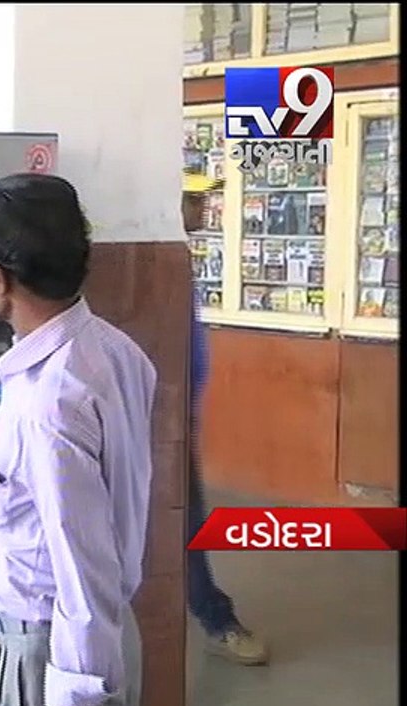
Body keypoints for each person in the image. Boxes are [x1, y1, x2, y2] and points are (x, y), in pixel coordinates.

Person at [0, 174, 157, 706]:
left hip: (54, 656)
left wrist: (71, 700)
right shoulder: (110, 350)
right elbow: (94, 446)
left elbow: (81, 562)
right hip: (107, 634)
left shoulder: (48, 405)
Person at [182, 171, 269, 665]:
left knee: (185, 519)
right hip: (157, 421)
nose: (203, 210)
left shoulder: (182, 260)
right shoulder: (157, 264)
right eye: (194, 201)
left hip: (181, 415)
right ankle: (218, 620)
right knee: (186, 521)